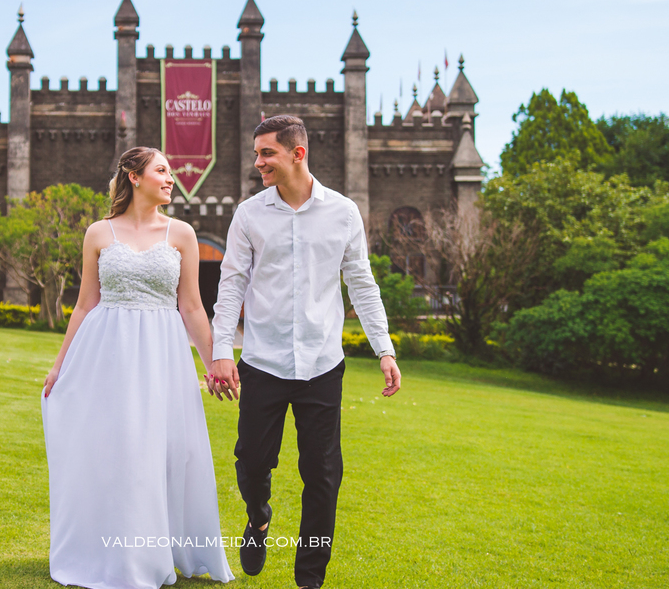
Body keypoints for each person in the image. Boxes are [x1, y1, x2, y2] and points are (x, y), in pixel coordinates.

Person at [208, 114, 402, 589]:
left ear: (298, 153)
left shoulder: (342, 212)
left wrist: (385, 349)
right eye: (257, 154)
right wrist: (220, 351)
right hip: (262, 362)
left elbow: (362, 283)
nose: (258, 163)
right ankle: (258, 518)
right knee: (252, 462)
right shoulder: (249, 215)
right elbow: (230, 286)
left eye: (266, 153)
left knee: (322, 474)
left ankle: (309, 578)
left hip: (321, 365)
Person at [41, 146, 236, 589]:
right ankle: (113, 552)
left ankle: (156, 550)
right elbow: (84, 305)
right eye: (162, 171)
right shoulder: (98, 233)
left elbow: (192, 308)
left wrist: (214, 366)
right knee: (118, 449)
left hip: (163, 353)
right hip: (106, 353)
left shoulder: (181, 234)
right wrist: (59, 366)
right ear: (134, 176)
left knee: (165, 451)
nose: (171, 179)